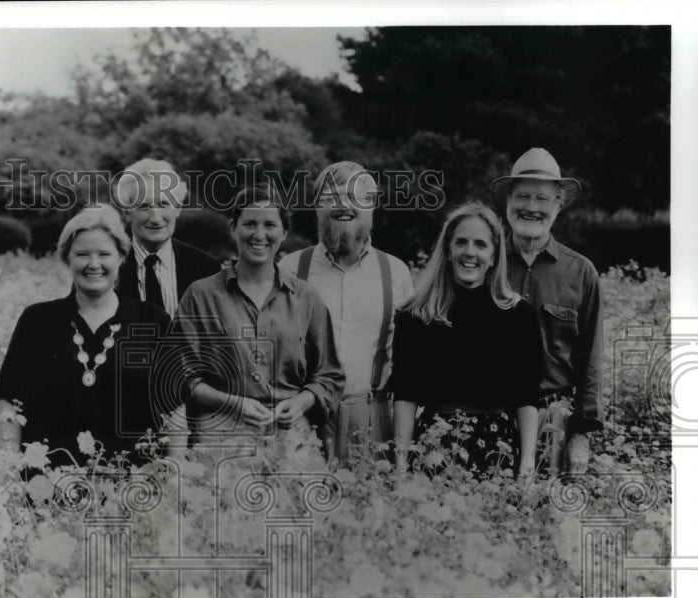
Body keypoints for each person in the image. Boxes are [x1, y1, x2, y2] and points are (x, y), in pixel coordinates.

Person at [0, 204, 170, 468]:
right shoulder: (37, 321)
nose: (93, 264)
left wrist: (175, 481)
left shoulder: (152, 320)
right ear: (68, 258)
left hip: (134, 489)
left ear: (121, 257)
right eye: (83, 254)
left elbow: (175, 408)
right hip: (46, 490)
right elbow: (9, 405)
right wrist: (7, 478)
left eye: (104, 254)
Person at [174, 183, 344, 450]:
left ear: (284, 232)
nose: (259, 234)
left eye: (270, 225)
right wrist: (235, 403)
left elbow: (329, 376)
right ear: (233, 227)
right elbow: (184, 379)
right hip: (220, 442)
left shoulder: (306, 298)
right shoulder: (200, 296)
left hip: (292, 443)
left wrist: (299, 403)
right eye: (250, 223)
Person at [390, 202, 542, 478]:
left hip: (498, 452)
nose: (469, 252)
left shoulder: (520, 315)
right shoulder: (416, 315)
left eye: (480, 244)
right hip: (434, 449)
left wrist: (527, 465)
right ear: (448, 250)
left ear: (494, 255)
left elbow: (527, 396)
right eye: (461, 242)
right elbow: (405, 394)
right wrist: (400, 467)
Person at [278, 161, 413, 464]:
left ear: (372, 205)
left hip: (371, 415)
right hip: (303, 416)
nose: (343, 205)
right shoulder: (288, 270)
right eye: (332, 196)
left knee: (369, 504)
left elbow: (409, 362)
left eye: (355, 196)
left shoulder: (396, 272)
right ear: (317, 208)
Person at [491, 147, 602, 474]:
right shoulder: (483, 263)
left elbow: (590, 361)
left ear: (559, 204)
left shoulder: (581, 273)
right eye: (522, 196)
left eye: (542, 198)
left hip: (554, 421)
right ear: (508, 200)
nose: (531, 207)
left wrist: (581, 435)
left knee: (549, 523)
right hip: (489, 419)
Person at [113, 158, 221, 318]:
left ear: (177, 208)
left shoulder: (207, 269)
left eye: (163, 204)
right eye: (143, 206)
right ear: (127, 213)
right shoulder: (108, 266)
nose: (155, 218)